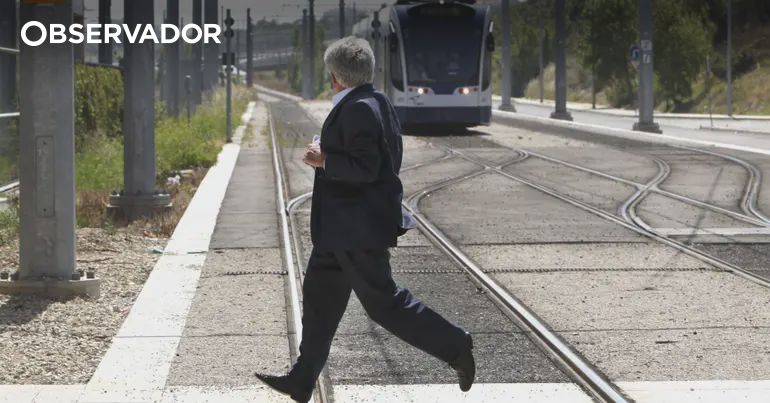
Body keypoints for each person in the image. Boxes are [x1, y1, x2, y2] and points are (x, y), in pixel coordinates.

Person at [255, 37, 475, 402]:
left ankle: (455, 345)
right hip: (340, 230)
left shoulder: (358, 108)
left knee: (383, 303)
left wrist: (323, 160)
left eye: (329, 75)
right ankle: (302, 377)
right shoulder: (377, 101)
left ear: (337, 77)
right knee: (320, 297)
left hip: (356, 230)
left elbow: (368, 166)